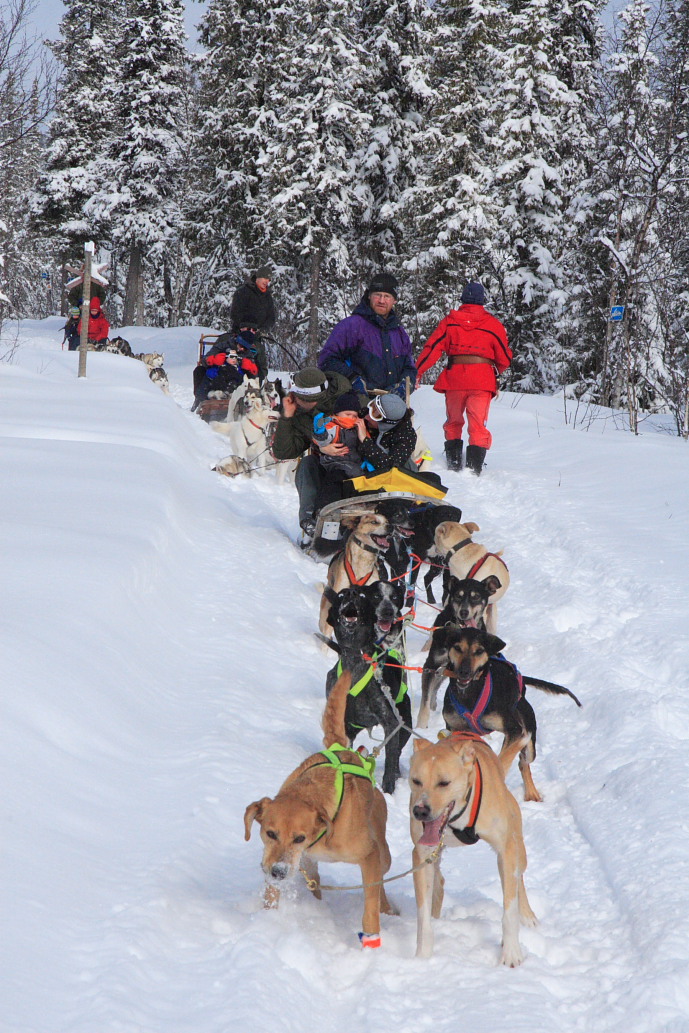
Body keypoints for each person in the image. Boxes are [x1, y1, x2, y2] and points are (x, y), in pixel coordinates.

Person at [415, 281, 511, 475]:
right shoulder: (493, 324)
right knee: (477, 423)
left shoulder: (450, 321)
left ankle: (454, 464)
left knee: (453, 421)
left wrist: (417, 371)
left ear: (463, 300)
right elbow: (505, 357)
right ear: (483, 301)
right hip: (482, 381)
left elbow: (432, 349)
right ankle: (474, 469)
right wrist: (493, 370)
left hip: (455, 379)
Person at [271, 366, 353, 539]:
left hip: (359, 462)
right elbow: (284, 452)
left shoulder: (349, 399)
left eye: (304, 400)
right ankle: (310, 521)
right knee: (307, 464)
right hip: (326, 466)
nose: (298, 402)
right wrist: (287, 417)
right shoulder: (300, 414)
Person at [317, 273, 417, 399]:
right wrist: (353, 379)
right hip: (355, 405)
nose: (381, 300)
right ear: (369, 295)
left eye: (387, 296)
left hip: (391, 406)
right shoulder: (351, 326)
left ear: (394, 300)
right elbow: (327, 360)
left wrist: (405, 386)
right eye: (377, 295)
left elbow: (410, 368)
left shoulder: (399, 333)